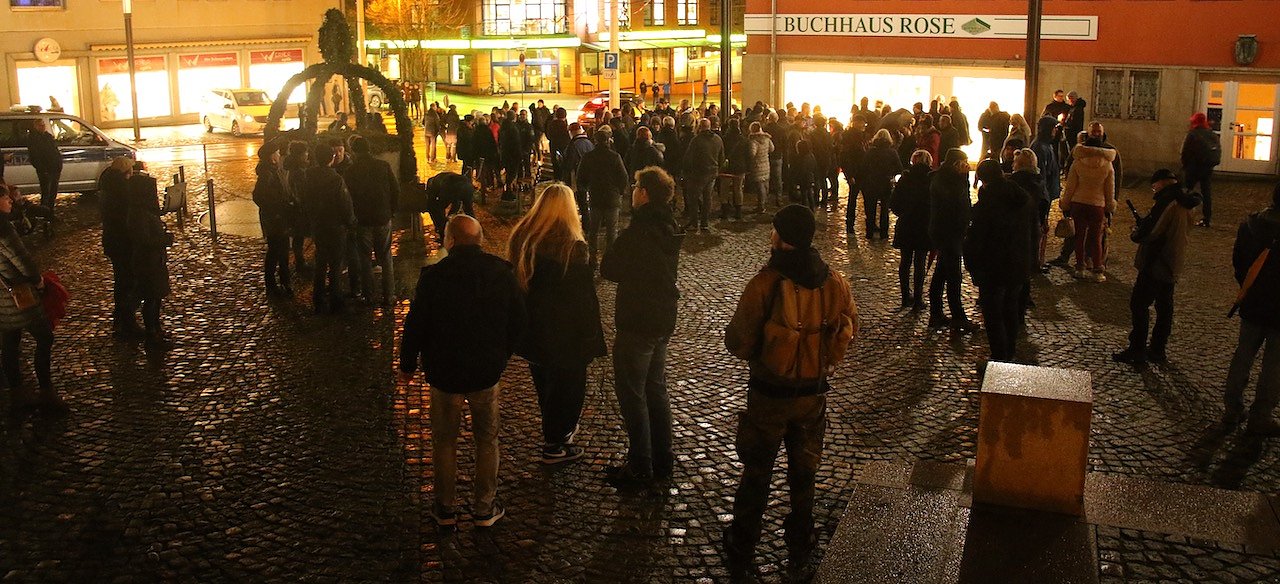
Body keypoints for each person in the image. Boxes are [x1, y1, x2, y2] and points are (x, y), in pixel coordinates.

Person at [723, 204, 857, 582]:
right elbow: (849, 325)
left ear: (782, 238)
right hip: (812, 394)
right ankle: (800, 538)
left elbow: (739, 341)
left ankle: (743, 540)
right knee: (804, 471)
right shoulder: (834, 281)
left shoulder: (765, 283)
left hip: (769, 394)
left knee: (758, 470)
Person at [399, 215, 526, 528]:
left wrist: (408, 364)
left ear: (451, 241)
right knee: (487, 439)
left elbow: (416, 324)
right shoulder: (501, 273)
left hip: (445, 374)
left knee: (445, 442)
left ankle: (445, 508)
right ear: (479, 240)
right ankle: (484, 507)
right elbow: (519, 321)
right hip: (485, 372)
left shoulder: (434, 277)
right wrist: (502, 355)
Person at [508, 185, 606, 463]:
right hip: (566, 334)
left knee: (546, 386)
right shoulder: (572, 248)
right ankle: (555, 442)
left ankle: (555, 436)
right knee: (569, 389)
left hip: (535, 330)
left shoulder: (523, 239)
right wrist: (590, 336)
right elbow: (584, 299)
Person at [600, 167, 683, 484]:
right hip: (662, 317)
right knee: (655, 389)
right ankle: (663, 458)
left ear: (645, 193)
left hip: (638, 319)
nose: (632, 191)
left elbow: (610, 267)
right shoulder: (669, 226)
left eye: (636, 186)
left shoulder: (639, 232)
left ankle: (640, 464)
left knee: (632, 393)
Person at [1112, 170, 1201, 367]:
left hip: (1157, 261)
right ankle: (1158, 349)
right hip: (1173, 259)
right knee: (1164, 308)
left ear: (1162, 183)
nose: (1154, 190)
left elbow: (1153, 231)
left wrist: (1137, 233)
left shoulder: (1168, 202)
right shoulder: (1187, 202)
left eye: (1154, 187)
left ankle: (1137, 349)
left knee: (1139, 304)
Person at [1223, 183, 1280, 435]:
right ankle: (1261, 415)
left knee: (1243, 354)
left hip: (1252, 301)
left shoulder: (1251, 224)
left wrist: (1247, 287)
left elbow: (1239, 261)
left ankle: (1232, 408)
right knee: (1274, 365)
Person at [964, 160, 1035, 362]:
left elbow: (976, 239)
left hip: (993, 267)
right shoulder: (1021, 199)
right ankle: (1009, 351)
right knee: (1011, 309)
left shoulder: (986, 205)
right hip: (1017, 263)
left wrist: (972, 264)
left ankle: (999, 356)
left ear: (983, 180)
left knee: (993, 313)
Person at [0, 192, 62, 413]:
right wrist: (38, 281)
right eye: (4, 197)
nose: (10, 200)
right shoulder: (3, 227)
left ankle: (17, 394)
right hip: (19, 294)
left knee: (9, 343)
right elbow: (21, 259)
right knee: (44, 337)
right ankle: (46, 392)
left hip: (2, 296)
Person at [343, 136, 399, 306]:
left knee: (365, 258)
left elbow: (347, 197)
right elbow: (395, 189)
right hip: (382, 217)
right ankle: (389, 295)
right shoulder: (383, 166)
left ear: (354, 151)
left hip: (362, 220)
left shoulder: (351, 171)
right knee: (386, 257)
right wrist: (391, 211)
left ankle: (369, 295)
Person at [303, 141, 356, 313]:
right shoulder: (335, 179)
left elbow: (304, 200)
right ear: (331, 158)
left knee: (320, 261)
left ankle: (318, 298)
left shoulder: (308, 176)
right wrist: (350, 222)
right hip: (335, 226)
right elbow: (344, 204)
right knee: (335, 264)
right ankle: (336, 298)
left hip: (318, 225)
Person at [126, 167, 174, 347]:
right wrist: (164, 240)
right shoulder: (138, 214)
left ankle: (156, 329)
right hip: (147, 262)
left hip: (154, 260)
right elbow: (143, 239)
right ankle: (152, 333)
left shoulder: (143, 211)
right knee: (151, 298)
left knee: (156, 297)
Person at [928, 148, 974, 330]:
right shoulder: (944, 180)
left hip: (952, 232)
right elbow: (954, 202)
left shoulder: (952, 178)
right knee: (954, 276)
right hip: (947, 232)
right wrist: (962, 179)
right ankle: (957, 316)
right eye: (963, 162)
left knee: (941, 273)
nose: (966, 165)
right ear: (956, 163)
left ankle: (936, 313)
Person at [1060, 137, 1116, 282]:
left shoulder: (1078, 162)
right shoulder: (1107, 165)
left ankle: (1080, 267)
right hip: (1097, 205)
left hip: (1078, 203)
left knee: (1079, 237)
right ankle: (1097, 270)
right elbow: (1110, 189)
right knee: (1096, 238)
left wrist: (1065, 203)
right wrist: (1109, 205)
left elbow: (1070, 186)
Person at [99, 157, 140, 336]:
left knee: (121, 281)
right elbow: (126, 216)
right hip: (122, 242)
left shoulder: (108, 186)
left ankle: (120, 318)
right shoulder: (121, 190)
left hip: (113, 241)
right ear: (126, 172)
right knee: (127, 282)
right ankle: (127, 322)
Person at [576, 131, 629, 268]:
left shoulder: (588, 157)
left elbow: (580, 177)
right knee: (612, 231)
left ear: (595, 141)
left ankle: (592, 259)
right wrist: (619, 191)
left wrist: (586, 188)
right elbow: (624, 177)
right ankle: (609, 260)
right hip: (612, 198)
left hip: (595, 197)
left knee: (593, 231)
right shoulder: (615, 157)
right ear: (608, 140)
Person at [891, 150, 933, 309]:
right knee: (920, 262)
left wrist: (903, 213)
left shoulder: (905, 179)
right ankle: (917, 299)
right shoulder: (931, 179)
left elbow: (894, 203)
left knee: (905, 261)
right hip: (924, 225)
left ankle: (904, 297)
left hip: (907, 224)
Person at [253, 143, 293, 295]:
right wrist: (275, 209)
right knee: (276, 251)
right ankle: (274, 283)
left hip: (280, 217)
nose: (279, 155)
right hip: (275, 219)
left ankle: (283, 281)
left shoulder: (275, 171)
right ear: (271, 157)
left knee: (282, 251)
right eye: (276, 153)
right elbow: (258, 196)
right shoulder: (267, 175)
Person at [857, 129, 903, 240]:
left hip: (871, 182)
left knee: (870, 209)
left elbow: (863, 167)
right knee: (884, 209)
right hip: (886, 182)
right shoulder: (892, 152)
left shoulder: (870, 152)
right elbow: (899, 168)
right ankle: (884, 233)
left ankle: (869, 232)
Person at [682, 118, 726, 232]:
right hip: (712, 173)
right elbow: (722, 157)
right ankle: (704, 222)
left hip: (698, 173)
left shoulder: (696, 140)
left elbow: (688, 158)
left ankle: (694, 223)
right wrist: (717, 168)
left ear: (700, 127)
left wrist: (687, 172)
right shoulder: (717, 139)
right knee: (707, 197)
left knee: (693, 198)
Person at [1030, 117, 1062, 267]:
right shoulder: (1039, 147)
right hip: (1043, 194)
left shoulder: (1047, 146)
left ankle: (1039, 260)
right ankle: (1036, 261)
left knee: (1042, 228)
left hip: (1047, 192)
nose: (1055, 131)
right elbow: (1042, 174)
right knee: (1039, 227)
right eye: (1054, 128)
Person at [1181, 112, 1221, 228]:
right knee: (1206, 193)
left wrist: (1185, 165)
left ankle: (1184, 215)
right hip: (1207, 167)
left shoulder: (1193, 134)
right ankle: (1206, 218)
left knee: (1187, 191)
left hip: (1193, 167)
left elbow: (1185, 152)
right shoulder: (1212, 134)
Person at [282, 141, 311, 274]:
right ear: (300, 155)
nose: (307, 155)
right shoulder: (298, 171)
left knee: (298, 237)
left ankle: (299, 261)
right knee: (299, 236)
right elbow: (301, 192)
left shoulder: (291, 168)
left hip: (295, 207)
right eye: (305, 152)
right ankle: (300, 262)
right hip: (299, 209)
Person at [424, 171, 475, 244]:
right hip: (467, 184)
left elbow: (434, 203)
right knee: (469, 210)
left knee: (436, 210)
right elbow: (455, 202)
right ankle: (474, 232)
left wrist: (441, 222)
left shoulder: (434, 184)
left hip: (450, 185)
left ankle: (444, 234)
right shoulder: (441, 177)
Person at [27, 119, 62, 210]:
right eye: (40, 125)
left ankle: (50, 211)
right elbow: (34, 157)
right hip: (45, 170)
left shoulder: (48, 136)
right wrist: (42, 169)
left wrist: (59, 165)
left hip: (54, 168)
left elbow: (55, 151)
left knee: (53, 192)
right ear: (36, 127)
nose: (43, 127)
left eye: (43, 125)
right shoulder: (33, 139)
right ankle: (45, 212)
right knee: (46, 192)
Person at [724, 119, 752, 220]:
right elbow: (748, 155)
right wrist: (748, 167)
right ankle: (738, 211)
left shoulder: (724, 139)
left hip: (727, 167)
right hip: (740, 167)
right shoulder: (744, 139)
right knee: (738, 188)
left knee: (724, 189)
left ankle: (725, 211)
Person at [747, 122, 774, 214]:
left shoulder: (753, 141)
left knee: (760, 186)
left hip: (757, 165)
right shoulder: (767, 138)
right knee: (765, 184)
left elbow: (752, 153)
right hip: (766, 163)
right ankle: (765, 202)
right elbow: (772, 149)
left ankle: (761, 205)